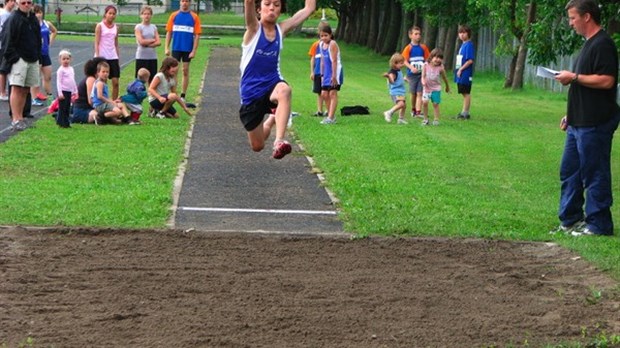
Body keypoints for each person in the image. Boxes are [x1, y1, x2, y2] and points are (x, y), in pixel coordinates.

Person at [552, 0, 619, 237]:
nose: (571, 24)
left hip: (595, 122)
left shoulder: (603, 44)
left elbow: (607, 80)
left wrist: (575, 77)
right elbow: (582, 86)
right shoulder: (588, 44)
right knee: (569, 171)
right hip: (578, 121)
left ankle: (599, 225)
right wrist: (570, 115)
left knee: (595, 172)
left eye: (572, 18)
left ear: (587, 17)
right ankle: (570, 220)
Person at [239, 0, 316, 159]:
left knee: (285, 91)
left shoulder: (281, 30)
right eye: (267, 4)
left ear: (280, 10)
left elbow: (309, 8)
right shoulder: (254, 30)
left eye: (276, 4)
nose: (272, 8)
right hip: (251, 93)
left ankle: (279, 141)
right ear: (259, 9)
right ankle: (271, 120)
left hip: (272, 84)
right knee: (258, 146)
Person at [3, 0, 40, 131]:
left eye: (29, 2)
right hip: (19, 60)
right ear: (18, 3)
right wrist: (15, 58)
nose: (26, 5)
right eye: (23, 2)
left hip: (32, 58)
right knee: (17, 88)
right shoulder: (13, 19)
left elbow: (37, 38)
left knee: (25, 89)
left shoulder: (33, 19)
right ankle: (15, 118)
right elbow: (7, 40)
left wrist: (38, 56)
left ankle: (21, 117)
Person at [165, 0, 200, 107]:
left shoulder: (194, 17)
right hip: (176, 47)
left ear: (189, 3)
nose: (184, 3)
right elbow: (169, 32)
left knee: (185, 70)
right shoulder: (174, 15)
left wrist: (193, 50)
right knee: (173, 71)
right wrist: (166, 47)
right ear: (180, 2)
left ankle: (183, 95)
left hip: (187, 48)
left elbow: (197, 35)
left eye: (187, 1)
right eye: (183, 1)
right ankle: (173, 93)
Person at [30, 4, 56, 106]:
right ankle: (34, 98)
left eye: (40, 12)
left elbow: (54, 31)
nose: (38, 15)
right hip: (36, 54)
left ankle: (50, 97)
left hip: (45, 53)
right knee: (35, 78)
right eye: (36, 12)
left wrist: (50, 42)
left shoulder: (46, 23)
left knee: (48, 77)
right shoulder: (31, 24)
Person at [401, 25, 429, 118]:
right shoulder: (408, 48)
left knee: (420, 93)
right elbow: (404, 60)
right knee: (413, 93)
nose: (418, 36)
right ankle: (413, 109)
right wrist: (411, 67)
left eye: (419, 34)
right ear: (410, 35)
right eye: (416, 34)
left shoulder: (423, 47)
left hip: (421, 74)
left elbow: (427, 59)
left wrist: (426, 69)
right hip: (412, 75)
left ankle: (418, 111)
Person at [318, 23, 343, 125]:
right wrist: (322, 74)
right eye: (321, 36)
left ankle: (330, 117)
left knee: (332, 93)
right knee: (324, 94)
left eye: (326, 35)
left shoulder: (332, 44)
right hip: (327, 72)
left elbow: (334, 61)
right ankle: (330, 115)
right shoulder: (321, 44)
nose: (324, 38)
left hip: (335, 71)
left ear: (330, 35)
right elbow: (323, 60)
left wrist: (333, 76)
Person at [94, 5, 120, 100]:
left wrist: (117, 57)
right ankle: (104, 103)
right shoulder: (100, 26)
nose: (112, 15)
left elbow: (116, 43)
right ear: (105, 14)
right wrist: (97, 57)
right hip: (102, 57)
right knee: (103, 83)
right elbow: (96, 42)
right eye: (110, 13)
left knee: (116, 82)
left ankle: (114, 103)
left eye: (113, 14)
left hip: (113, 57)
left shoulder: (116, 27)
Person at [70, 57, 106, 124]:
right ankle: (74, 117)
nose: (105, 73)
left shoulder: (99, 81)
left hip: (90, 107)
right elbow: (91, 101)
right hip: (83, 108)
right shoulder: (91, 79)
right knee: (99, 115)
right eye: (103, 71)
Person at [421, 48, 450, 126]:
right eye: (436, 57)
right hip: (426, 88)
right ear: (431, 57)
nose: (438, 60)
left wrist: (447, 87)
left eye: (440, 58)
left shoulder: (440, 68)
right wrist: (423, 82)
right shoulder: (425, 65)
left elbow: (444, 78)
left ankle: (436, 119)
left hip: (436, 88)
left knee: (435, 104)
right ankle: (425, 119)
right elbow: (423, 76)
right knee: (425, 102)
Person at [454, 24, 475, 120]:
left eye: (464, 32)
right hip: (460, 72)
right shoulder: (463, 45)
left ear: (468, 34)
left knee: (466, 92)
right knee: (462, 91)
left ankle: (465, 113)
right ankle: (463, 111)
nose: (462, 35)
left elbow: (470, 60)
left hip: (465, 73)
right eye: (460, 33)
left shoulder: (469, 45)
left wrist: (461, 69)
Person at [135, 5, 160, 84]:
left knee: (152, 80)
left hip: (152, 57)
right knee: (140, 81)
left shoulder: (154, 27)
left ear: (151, 15)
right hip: (141, 57)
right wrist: (152, 40)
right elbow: (141, 42)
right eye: (145, 14)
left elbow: (158, 42)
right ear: (141, 15)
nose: (146, 16)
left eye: (148, 14)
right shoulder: (139, 27)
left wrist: (147, 44)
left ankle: (151, 96)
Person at [382, 52, 407, 125]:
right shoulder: (392, 72)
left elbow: (398, 79)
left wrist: (404, 79)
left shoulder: (398, 70)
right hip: (396, 92)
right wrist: (388, 77)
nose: (403, 65)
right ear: (395, 63)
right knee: (401, 104)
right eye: (401, 63)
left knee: (404, 105)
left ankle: (401, 119)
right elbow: (392, 81)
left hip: (400, 91)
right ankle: (389, 112)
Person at [308, 22, 327, 117]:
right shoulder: (315, 45)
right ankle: (320, 110)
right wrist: (312, 71)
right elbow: (313, 58)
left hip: (327, 73)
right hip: (318, 72)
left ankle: (328, 109)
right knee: (319, 92)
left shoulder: (330, 45)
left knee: (327, 91)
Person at [55, 49, 76, 128]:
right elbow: (58, 82)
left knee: (67, 107)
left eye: (67, 59)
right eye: (63, 59)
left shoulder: (71, 69)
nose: (66, 61)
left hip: (69, 91)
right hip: (63, 91)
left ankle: (64, 121)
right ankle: (62, 122)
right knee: (62, 108)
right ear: (60, 60)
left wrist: (75, 90)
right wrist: (60, 93)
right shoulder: (60, 70)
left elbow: (72, 80)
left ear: (70, 59)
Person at [0, 0, 16, 101]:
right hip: (3, 45)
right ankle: (2, 92)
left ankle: (3, 90)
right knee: (3, 69)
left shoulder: (9, 14)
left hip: (6, 45)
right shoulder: (4, 14)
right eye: (12, 1)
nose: (14, 3)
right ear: (7, 2)